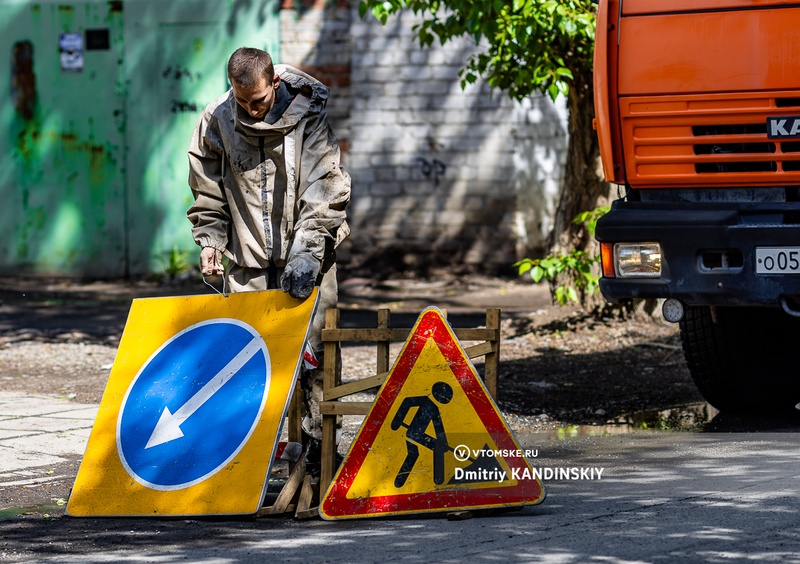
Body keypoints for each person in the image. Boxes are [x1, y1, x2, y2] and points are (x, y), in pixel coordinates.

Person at [186, 47, 350, 464]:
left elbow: (325, 189)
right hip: (249, 262)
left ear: (274, 83)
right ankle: (247, 461)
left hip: (308, 257)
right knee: (245, 367)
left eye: (257, 101)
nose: (251, 111)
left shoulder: (309, 117)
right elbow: (207, 189)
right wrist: (210, 242)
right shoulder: (217, 119)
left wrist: (308, 253)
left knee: (315, 360)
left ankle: (317, 457)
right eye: (241, 101)